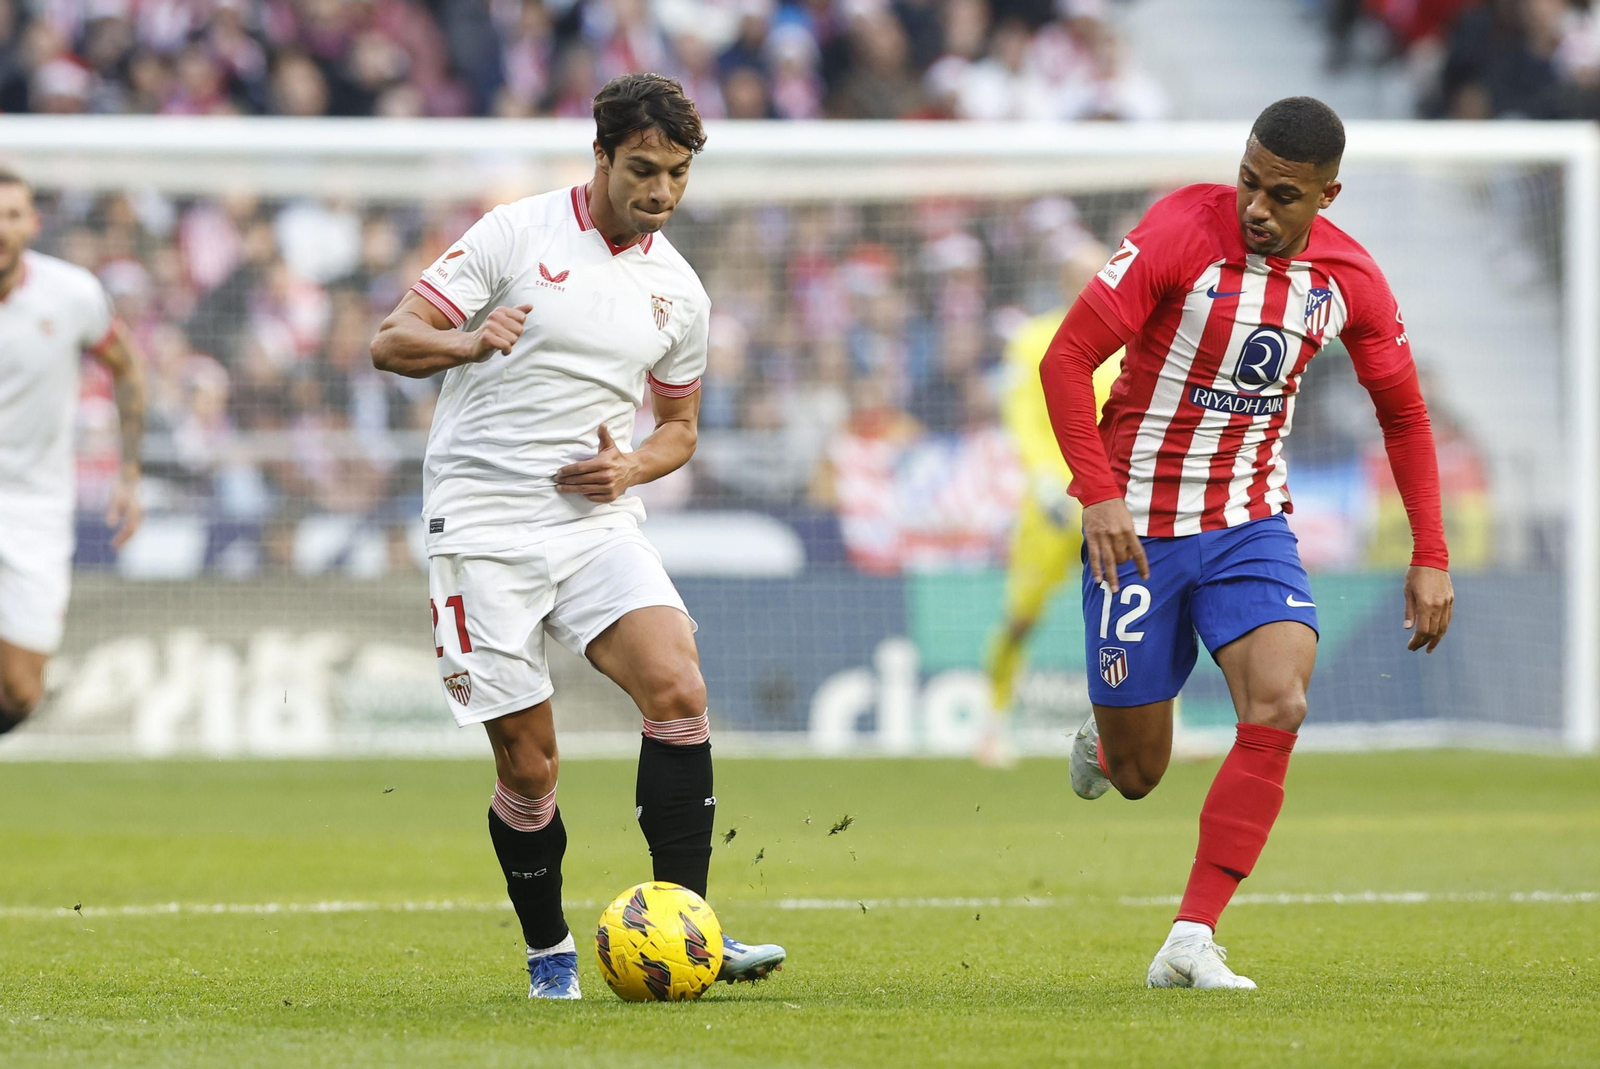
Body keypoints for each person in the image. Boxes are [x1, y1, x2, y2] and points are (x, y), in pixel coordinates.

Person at [369, 73, 784, 1000]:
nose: (662, 193)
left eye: (678, 174)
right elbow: (390, 342)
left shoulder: (679, 290)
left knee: (678, 683)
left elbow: (679, 427)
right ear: (600, 156)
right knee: (530, 764)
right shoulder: (515, 234)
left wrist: (631, 468)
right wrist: (469, 342)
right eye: (644, 169)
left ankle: (687, 929)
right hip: (481, 521)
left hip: (595, 518)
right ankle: (549, 952)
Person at [1040, 97, 1454, 989]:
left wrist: (1432, 551)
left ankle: (1190, 938)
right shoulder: (1178, 233)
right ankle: (1109, 739)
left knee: (1279, 702)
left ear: (1327, 195)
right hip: (1137, 529)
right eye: (1248, 182)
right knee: (1142, 771)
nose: (1257, 207)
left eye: (1283, 195)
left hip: (1247, 523)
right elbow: (1065, 359)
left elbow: (1405, 414)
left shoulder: (1351, 280)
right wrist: (1100, 495)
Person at [0, 169, 145, 737]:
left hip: (35, 505)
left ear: (33, 224)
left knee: (21, 691)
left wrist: (130, 473)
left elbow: (129, 370)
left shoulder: (72, 295)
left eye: (12, 215)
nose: (2, 228)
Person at [976, 236, 1122, 767]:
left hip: (1112, 501)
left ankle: (1167, 724)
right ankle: (992, 726)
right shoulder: (1032, 338)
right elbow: (1022, 415)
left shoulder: (1128, 341)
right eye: (1076, 272)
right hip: (1053, 505)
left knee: (1140, 615)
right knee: (1022, 617)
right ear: (1061, 279)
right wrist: (1044, 480)